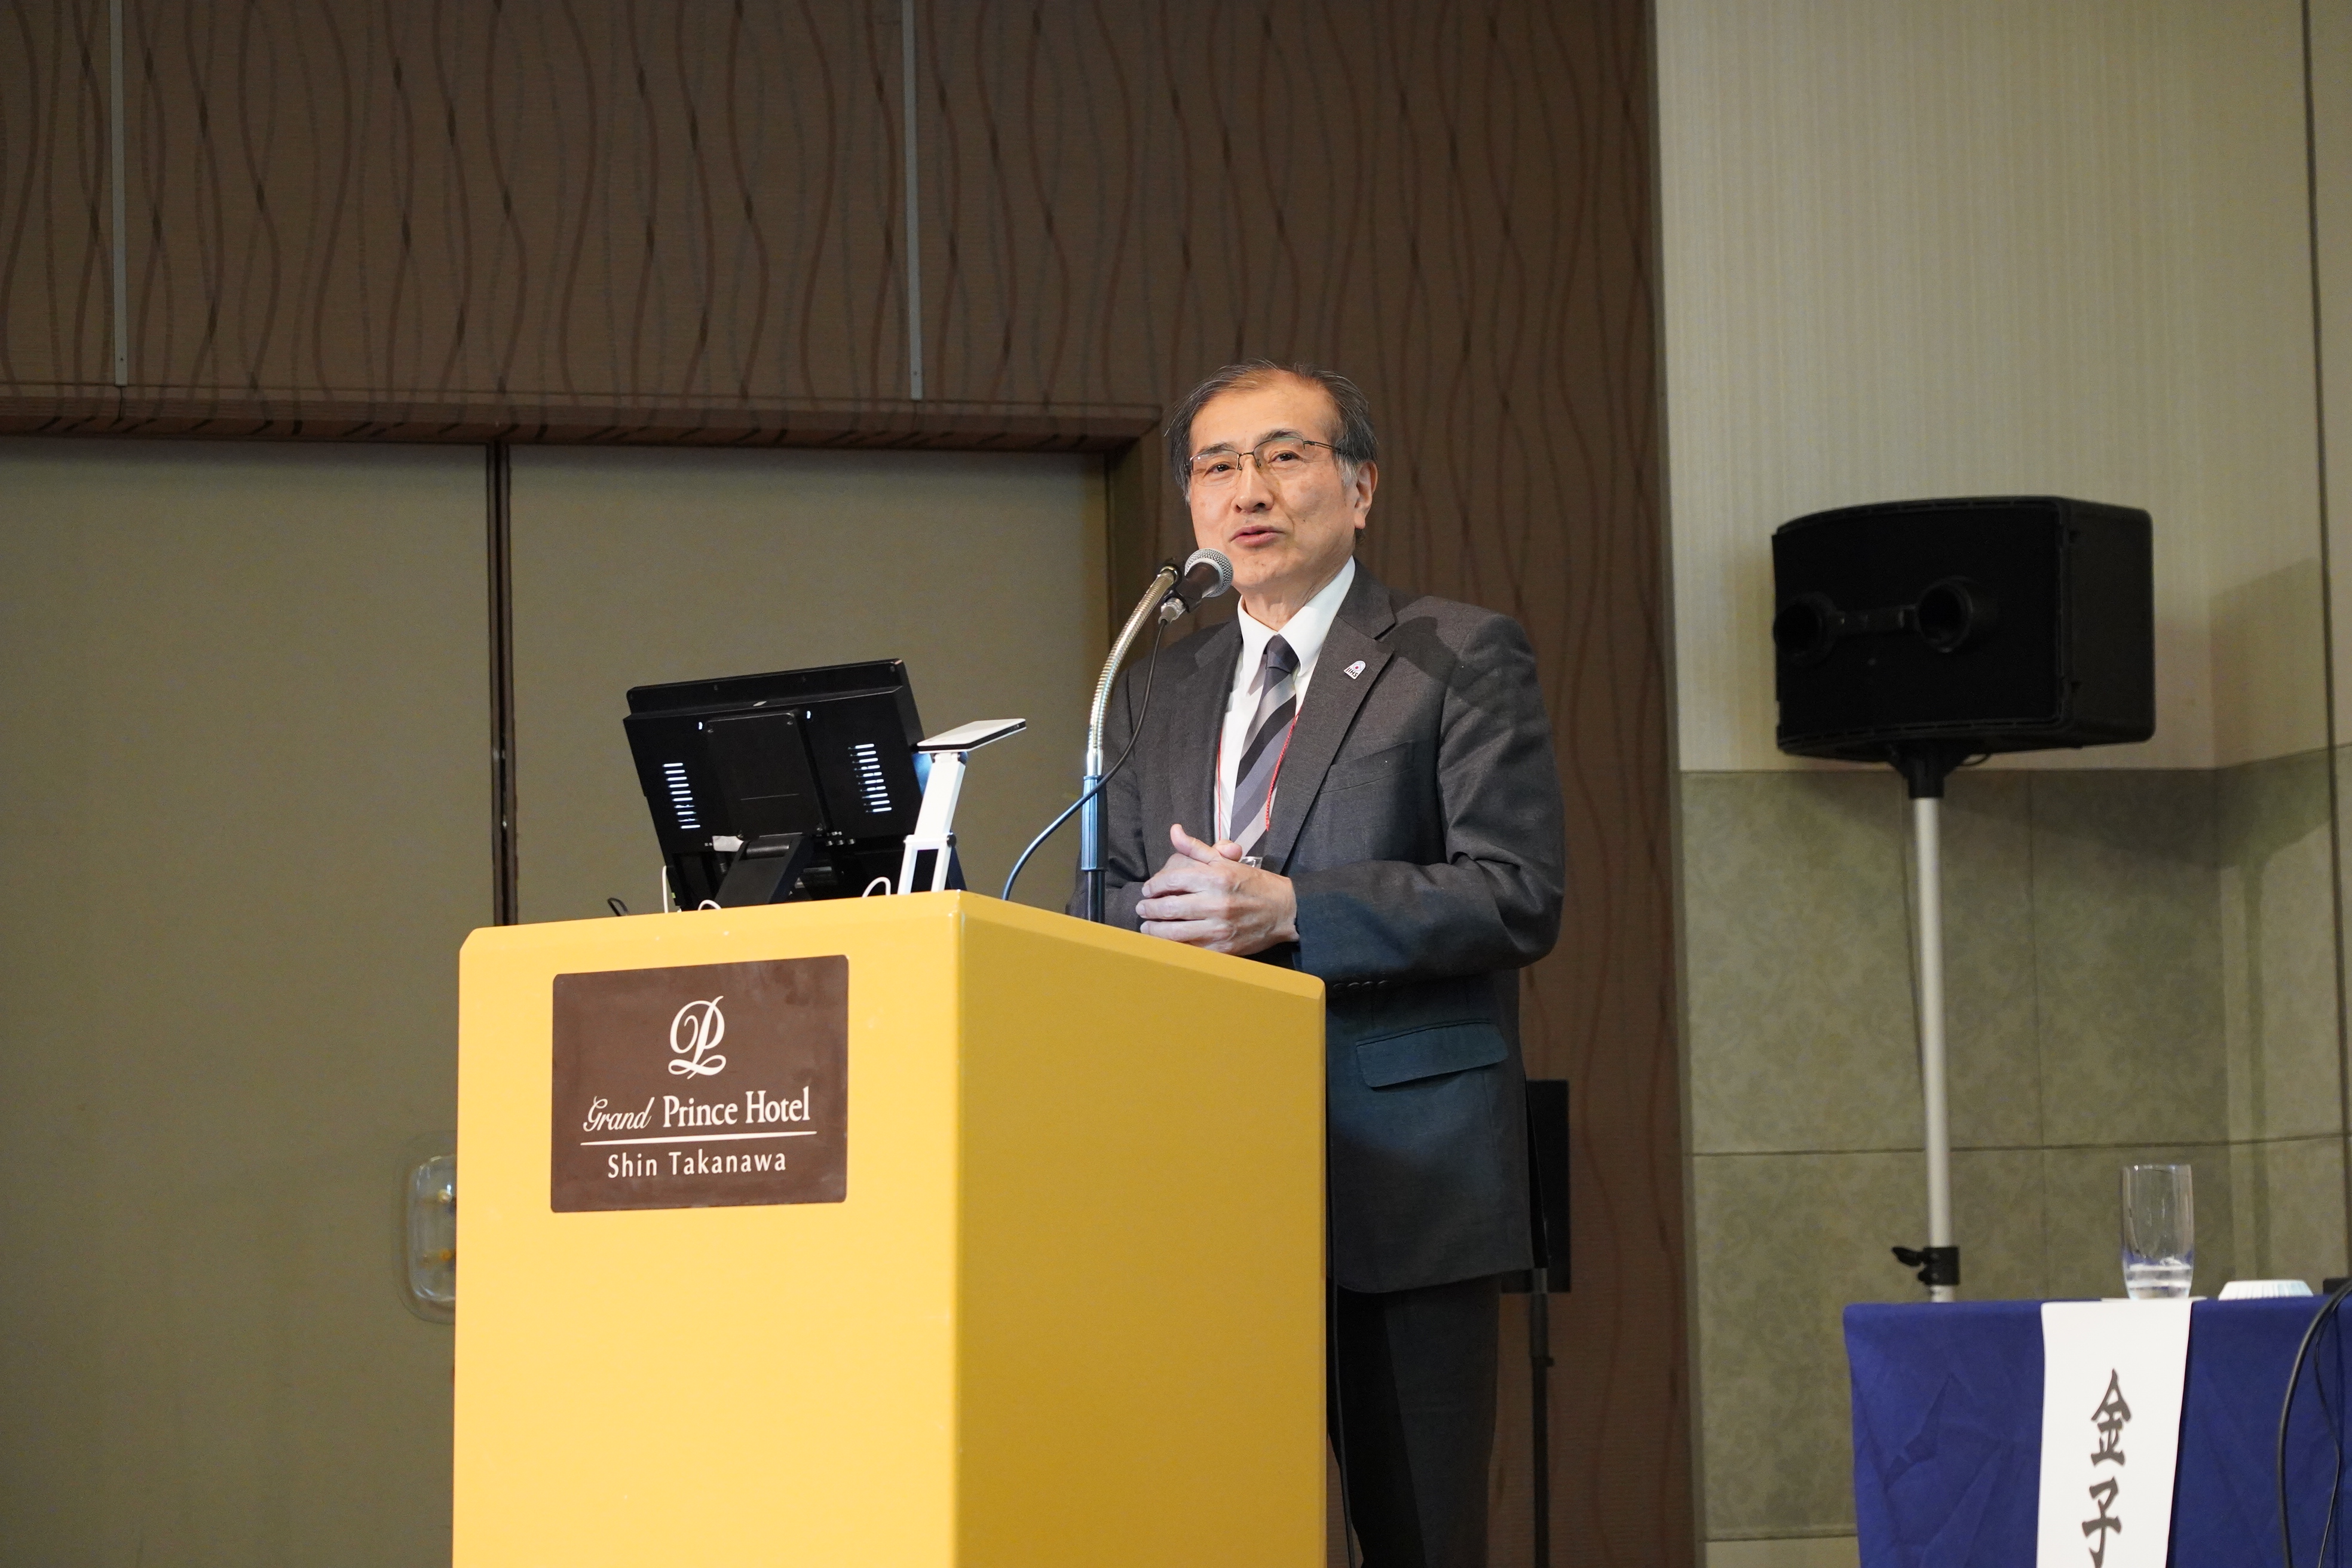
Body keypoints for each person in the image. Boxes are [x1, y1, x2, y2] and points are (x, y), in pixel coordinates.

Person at [1077, 361, 1566, 1568]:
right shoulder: (1151, 687)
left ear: (1360, 488)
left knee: (1418, 1538)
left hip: (1405, 1174)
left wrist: (1294, 908)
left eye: (1285, 455)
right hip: (1203, 1176)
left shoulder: (1454, 653)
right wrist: (1154, 916)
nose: (1249, 489)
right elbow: (1113, 895)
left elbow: (1516, 891)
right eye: (1217, 465)